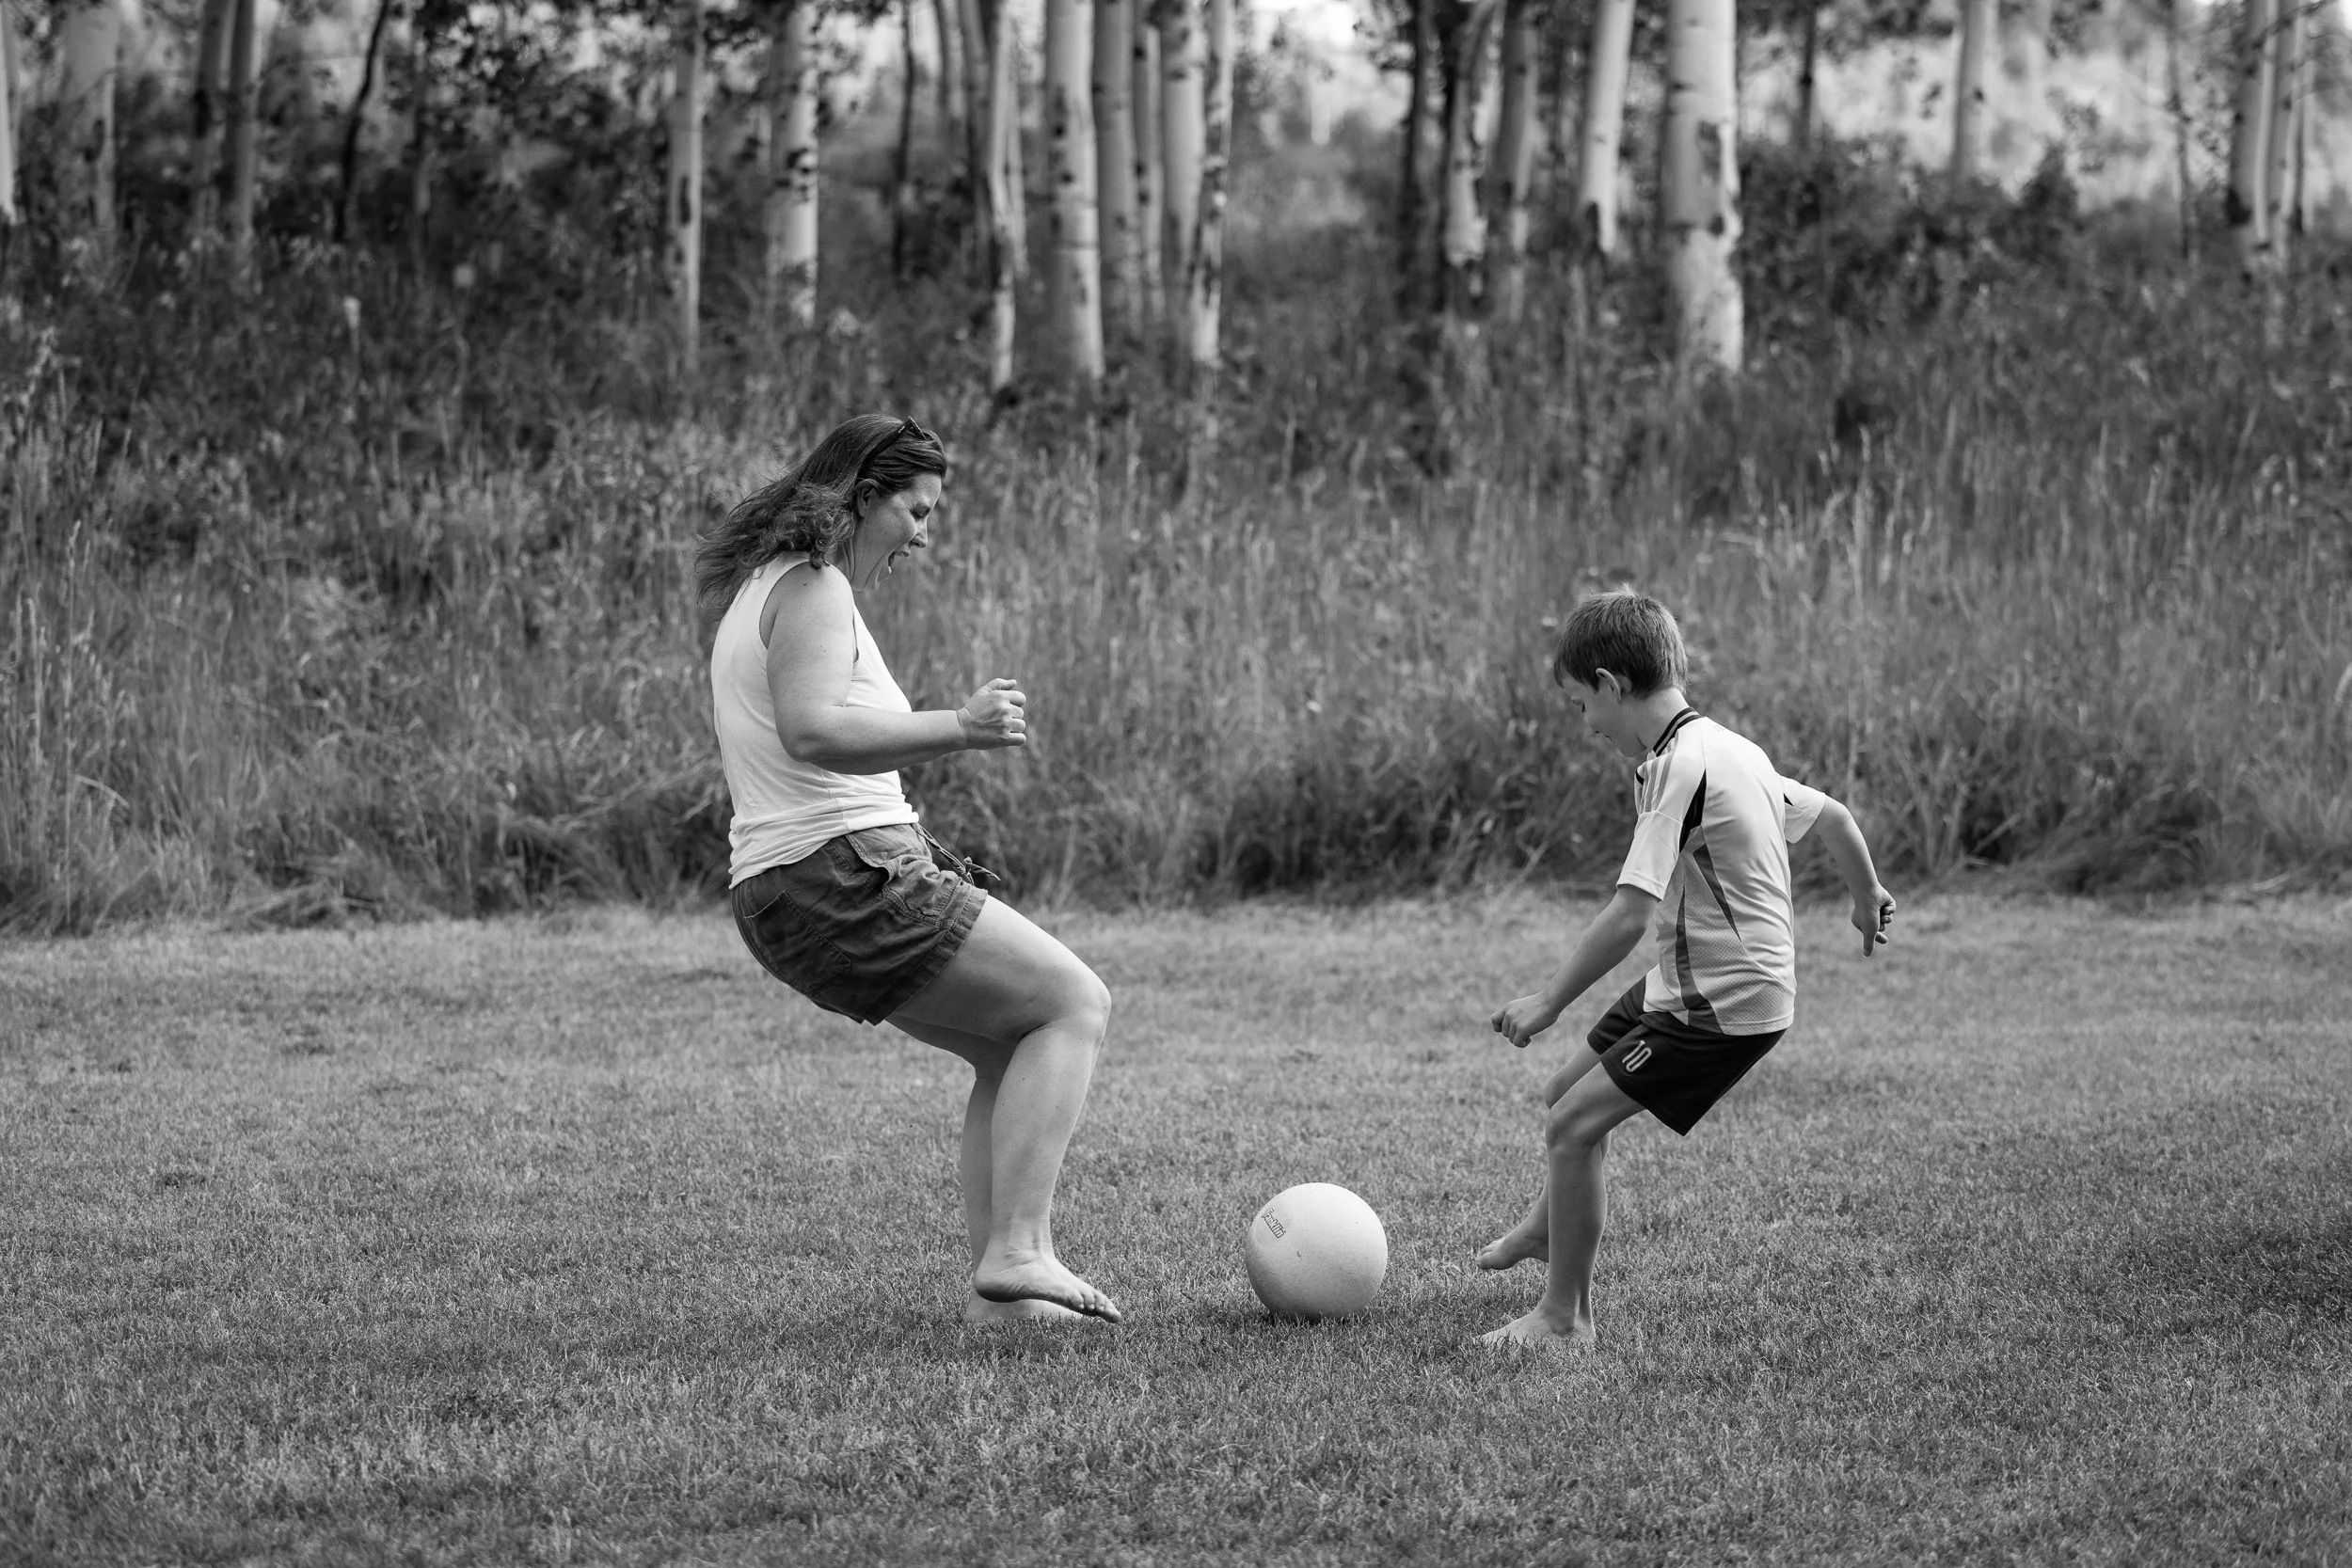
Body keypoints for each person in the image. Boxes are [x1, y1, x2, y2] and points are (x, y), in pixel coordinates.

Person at [696, 414, 1120, 1326]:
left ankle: (1004, 1302)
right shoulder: (812, 589)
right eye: (915, 510)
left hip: (792, 886)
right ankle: (1019, 1249)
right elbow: (813, 730)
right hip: (842, 872)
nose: (923, 534)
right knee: (1074, 1003)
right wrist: (957, 727)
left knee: (1011, 1044)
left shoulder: (765, 588)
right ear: (861, 495)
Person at [1476, 590, 1895, 1351]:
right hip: (1695, 975)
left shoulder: (1678, 766)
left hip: (1724, 1000)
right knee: (1564, 1094)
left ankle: (1563, 1321)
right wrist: (1867, 894)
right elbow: (1831, 815)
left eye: (1580, 706)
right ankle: (1550, 1232)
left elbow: (1630, 913)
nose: (1587, 725)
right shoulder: (1732, 748)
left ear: (1610, 683)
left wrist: (1547, 1000)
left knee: (1571, 1129)